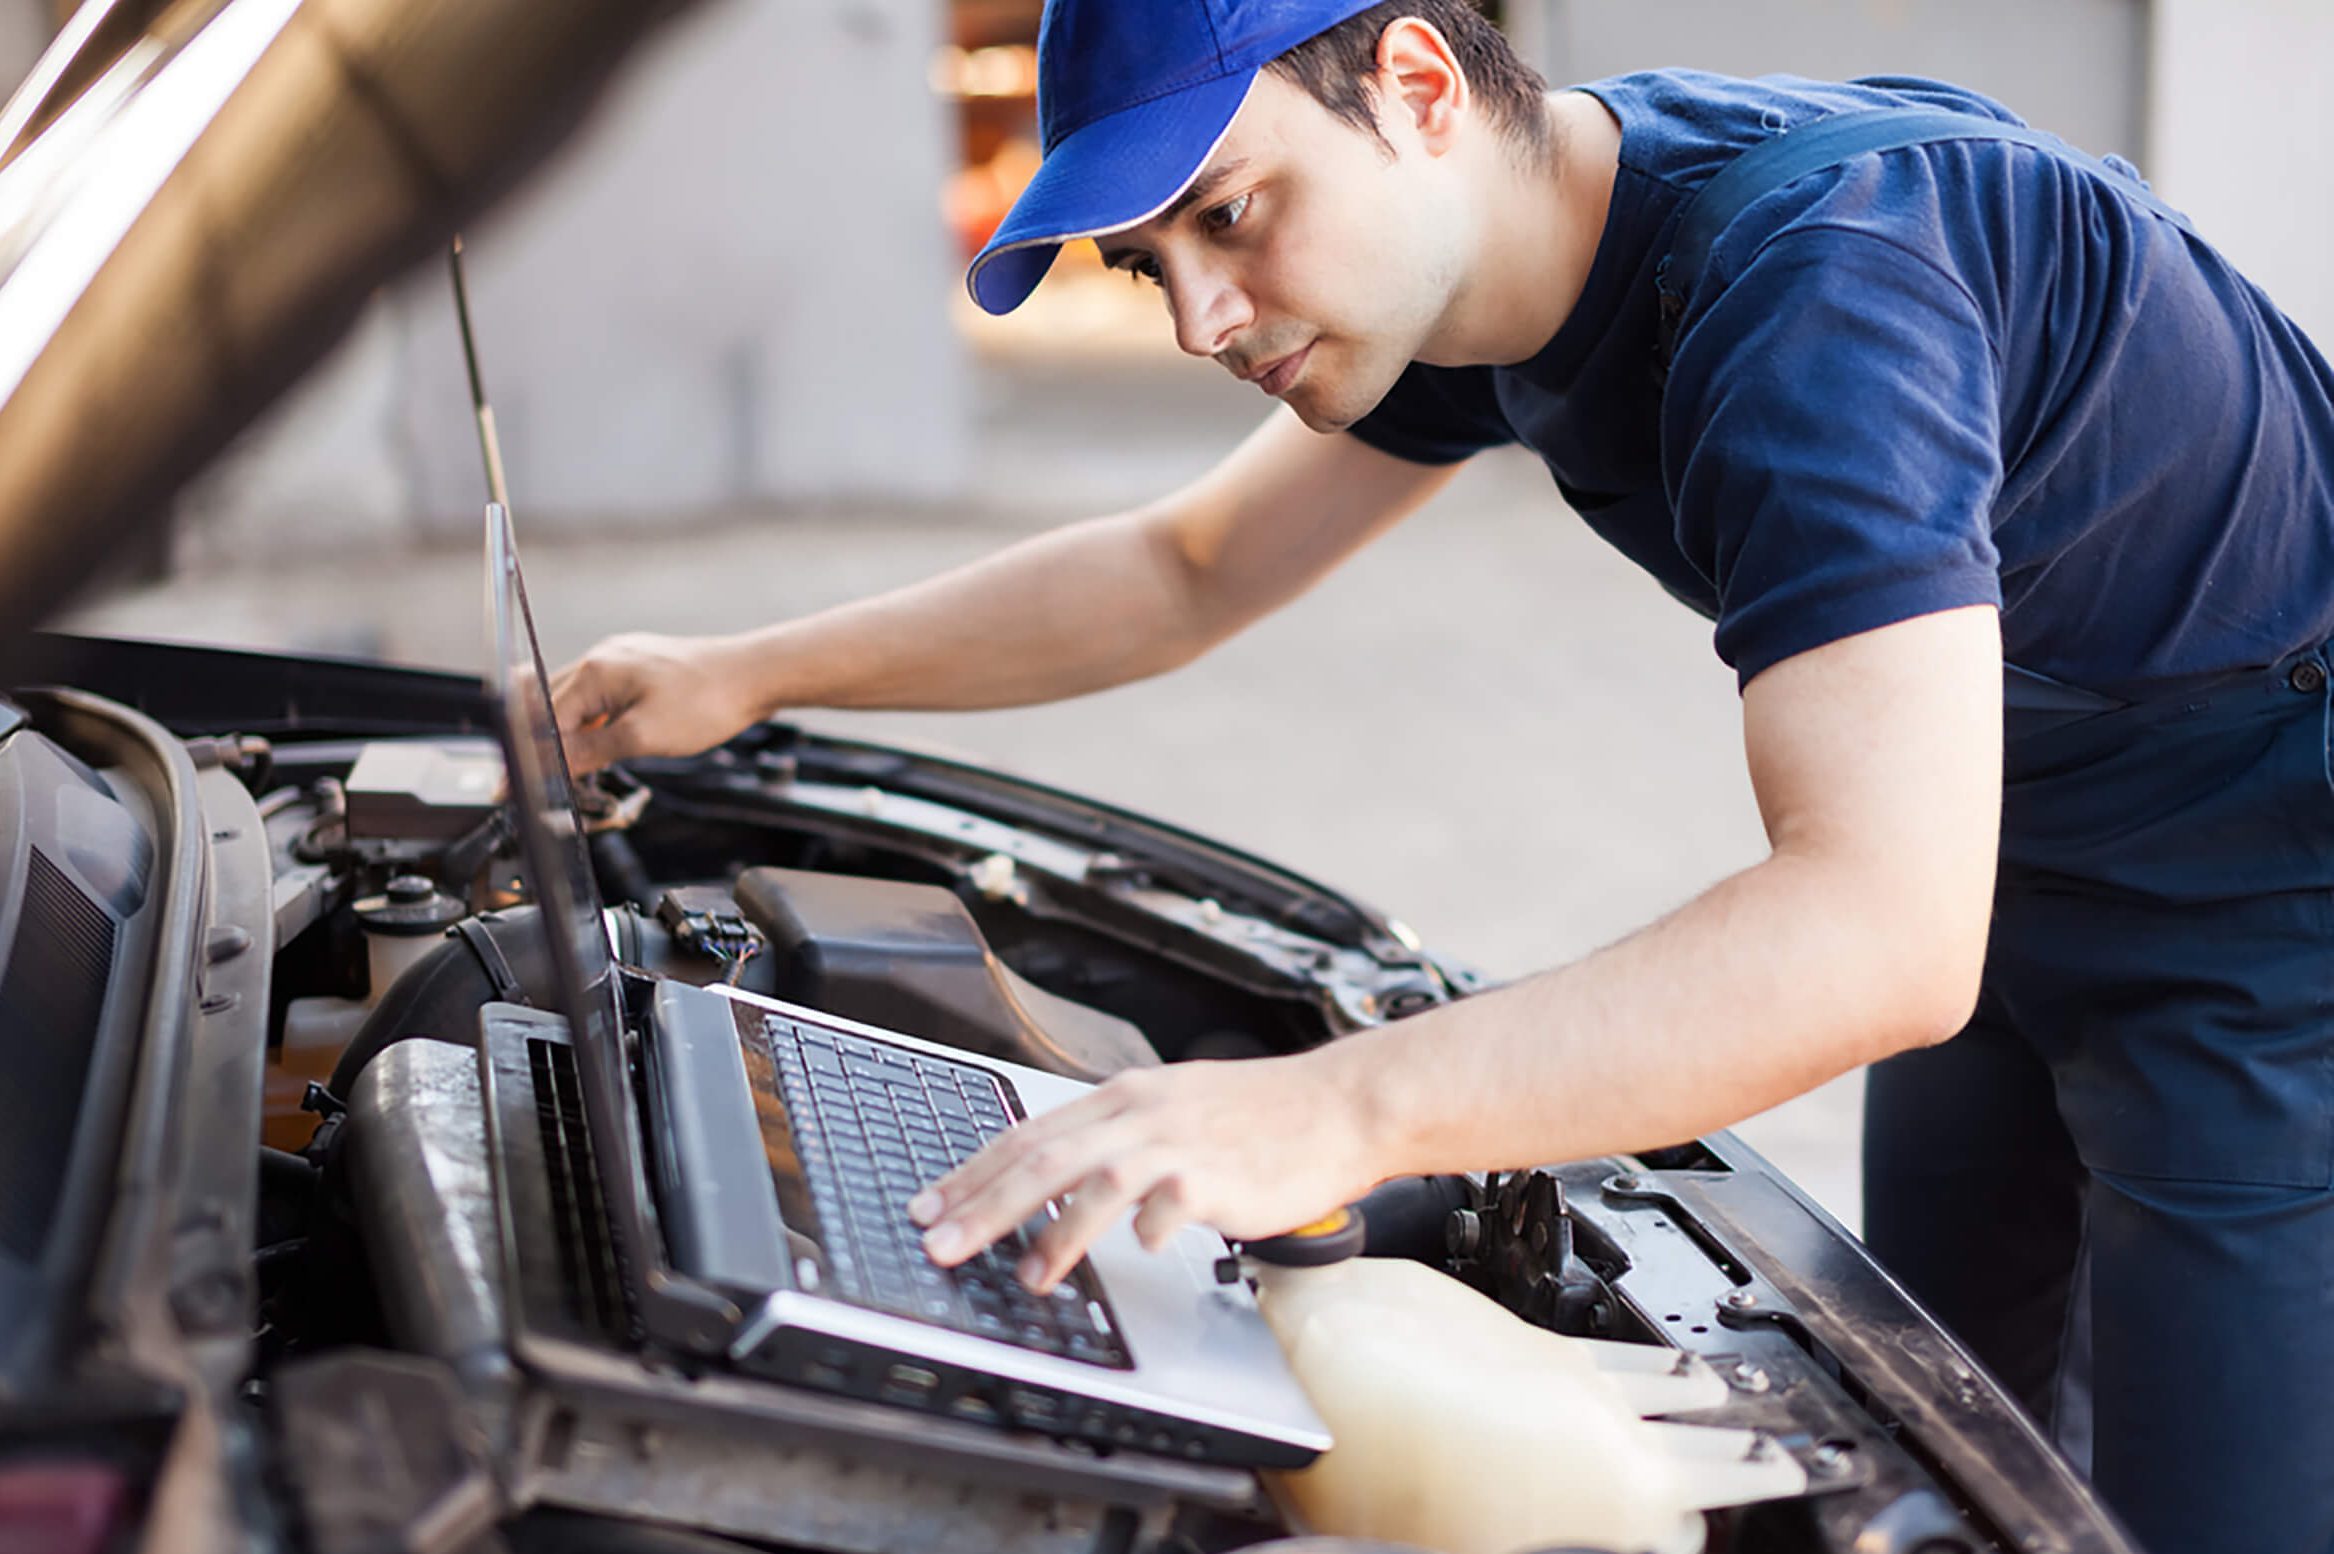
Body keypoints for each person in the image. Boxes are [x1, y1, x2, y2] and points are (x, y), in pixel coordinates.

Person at [552, 4, 2334, 1548]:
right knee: (1952, 1441)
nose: (1197, 318)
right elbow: (1184, 571)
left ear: (1411, 81)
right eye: (1144, 263)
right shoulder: (1517, 250)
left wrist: (1328, 1108)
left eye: (1229, 215)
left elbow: (1878, 932)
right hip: (2006, 840)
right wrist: (746, 669)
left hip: (2268, 915)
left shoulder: (1814, 293)